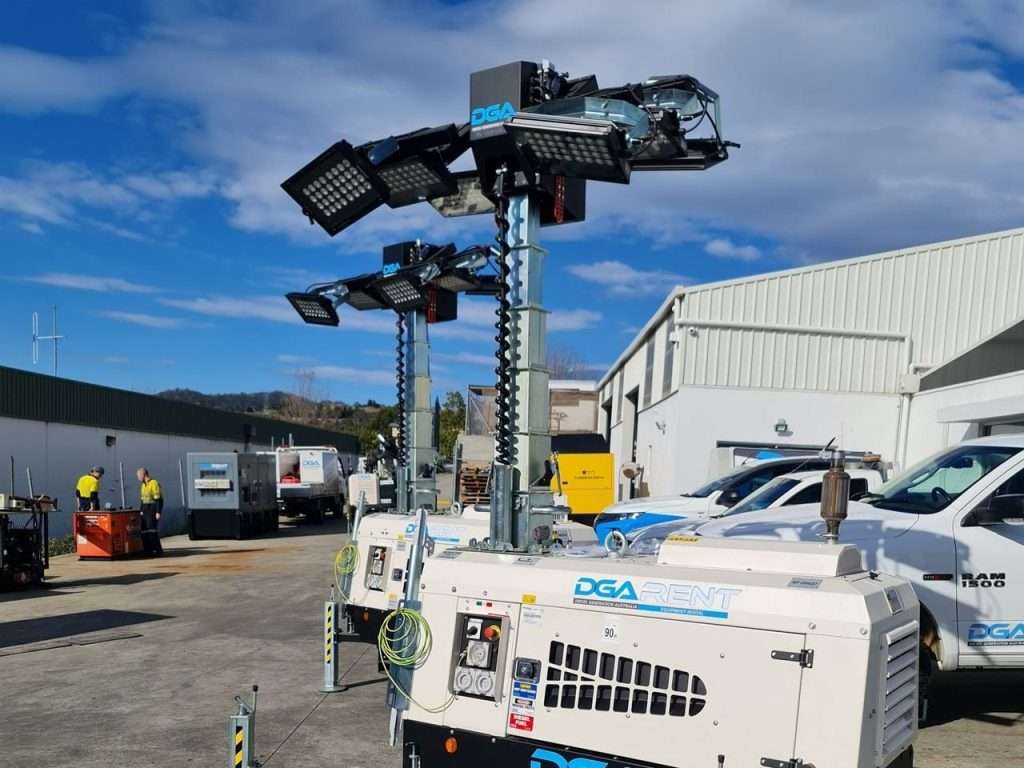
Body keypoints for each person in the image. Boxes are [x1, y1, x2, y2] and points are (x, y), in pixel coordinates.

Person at [137, 467, 164, 556]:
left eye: (138, 476)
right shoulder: (143, 485)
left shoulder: (154, 483)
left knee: (152, 530)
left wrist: (158, 512)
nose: (138, 478)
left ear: (143, 474)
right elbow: (142, 499)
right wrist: (141, 510)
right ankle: (147, 550)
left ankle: (157, 550)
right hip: (145, 509)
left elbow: (158, 499)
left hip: (152, 509)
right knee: (144, 531)